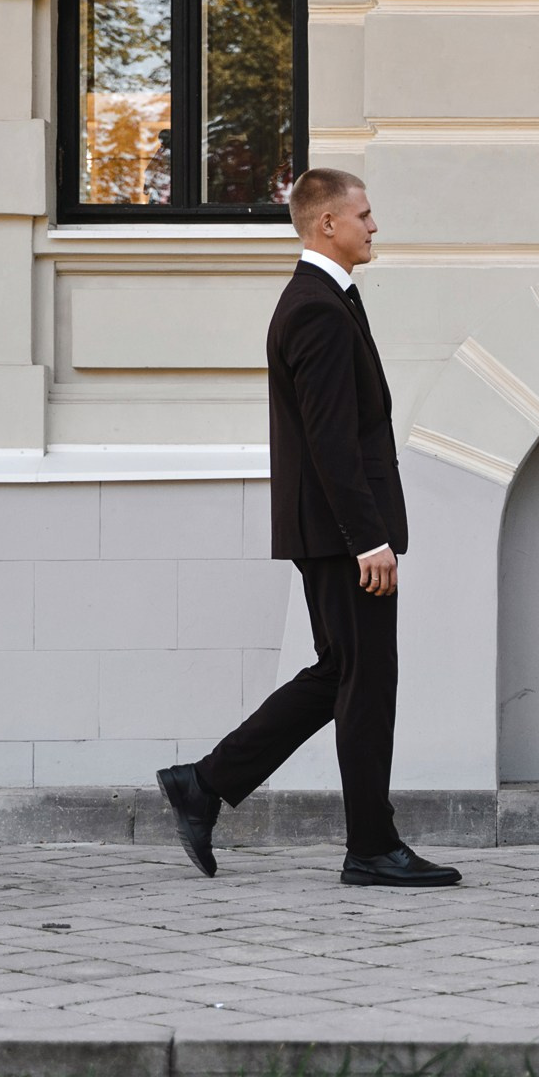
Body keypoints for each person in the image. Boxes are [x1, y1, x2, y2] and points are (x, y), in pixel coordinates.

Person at [156, 168, 462, 888]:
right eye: (364, 213)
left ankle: (203, 783)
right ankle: (371, 845)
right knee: (367, 681)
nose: (373, 225)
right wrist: (368, 537)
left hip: (329, 531)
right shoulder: (318, 309)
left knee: (339, 675)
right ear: (327, 222)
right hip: (341, 536)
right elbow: (330, 440)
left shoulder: (323, 300)